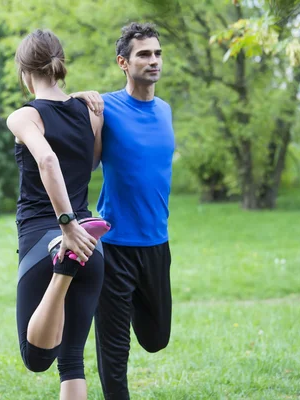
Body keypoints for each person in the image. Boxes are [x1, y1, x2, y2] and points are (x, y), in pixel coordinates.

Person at [72, 22, 175, 400]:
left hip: (156, 244)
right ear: (123, 62)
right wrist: (80, 98)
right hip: (113, 247)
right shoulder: (105, 107)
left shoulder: (165, 110)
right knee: (114, 354)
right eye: (144, 54)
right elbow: (72, 136)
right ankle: (112, 307)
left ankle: (126, 303)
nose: (153, 61)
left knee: (156, 339)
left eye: (157, 53)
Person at [5, 29, 110, 400]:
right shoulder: (91, 112)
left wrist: (65, 226)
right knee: (72, 362)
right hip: (90, 242)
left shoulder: (23, 116)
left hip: (49, 240)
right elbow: (92, 161)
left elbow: (47, 158)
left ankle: (62, 271)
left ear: (24, 72)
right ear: (60, 66)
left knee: (35, 358)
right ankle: (66, 266)